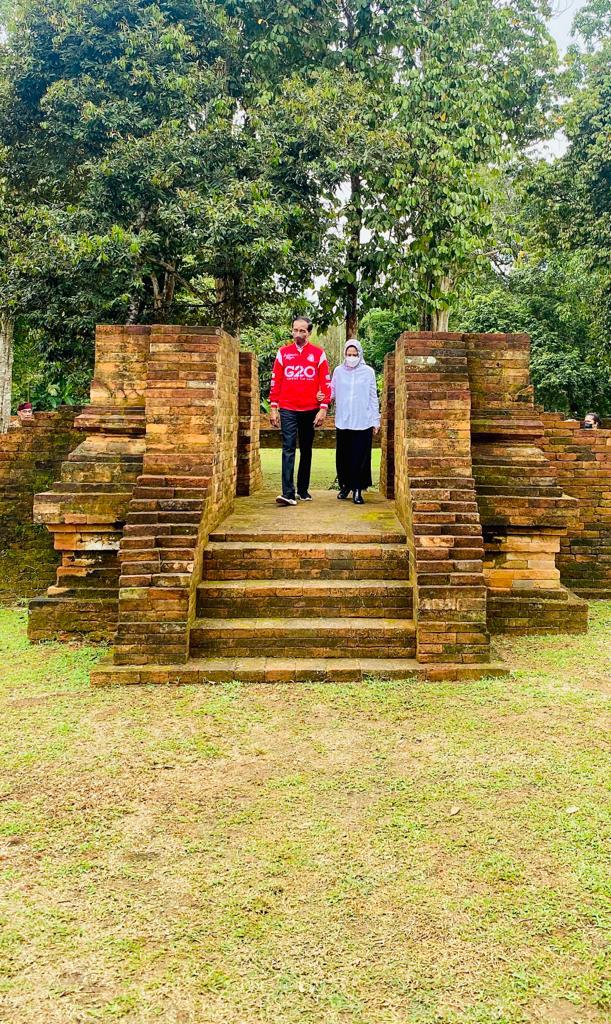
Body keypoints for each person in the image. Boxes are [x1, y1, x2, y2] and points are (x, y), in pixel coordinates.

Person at [269, 316, 331, 506]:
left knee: (306, 449)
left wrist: (323, 408)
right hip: (287, 408)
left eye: (302, 331)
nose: (298, 334)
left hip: (310, 409)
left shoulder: (318, 354)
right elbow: (276, 381)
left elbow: (325, 382)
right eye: (295, 330)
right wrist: (273, 407)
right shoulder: (283, 353)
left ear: (309, 333)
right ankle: (288, 493)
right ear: (291, 331)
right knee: (288, 447)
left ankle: (303, 490)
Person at [331, 339, 380, 505]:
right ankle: (345, 486)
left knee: (360, 457)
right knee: (343, 456)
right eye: (348, 354)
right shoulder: (338, 371)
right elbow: (332, 392)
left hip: (363, 421)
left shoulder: (368, 372)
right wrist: (322, 397)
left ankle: (358, 489)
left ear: (360, 354)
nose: (351, 357)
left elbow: (373, 397)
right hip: (343, 421)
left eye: (354, 354)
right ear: (344, 354)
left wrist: (376, 420)